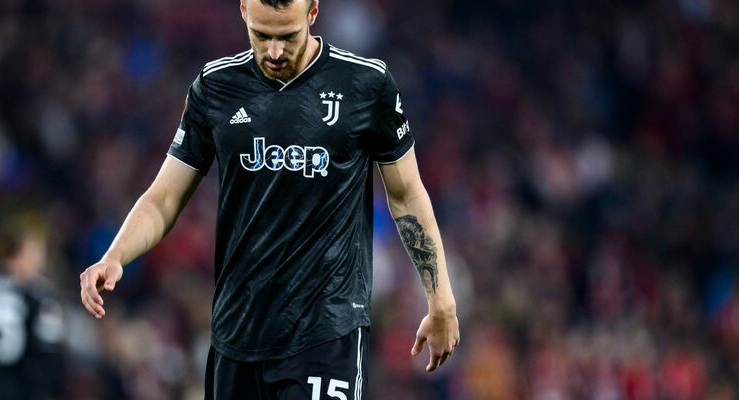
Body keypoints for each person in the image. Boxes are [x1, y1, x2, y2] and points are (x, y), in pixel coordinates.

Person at [79, 0, 459, 398]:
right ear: (243, 10)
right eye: (261, 36)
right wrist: (115, 255)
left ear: (313, 12)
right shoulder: (216, 87)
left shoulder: (366, 84)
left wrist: (440, 298)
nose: (274, 52)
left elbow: (406, 194)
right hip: (236, 334)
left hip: (326, 332)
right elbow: (165, 197)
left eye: (287, 36)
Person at [0, 213, 65, 400]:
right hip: (17, 389)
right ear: (19, 252)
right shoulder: (37, 298)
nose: (40, 261)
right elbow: (48, 361)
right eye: (36, 252)